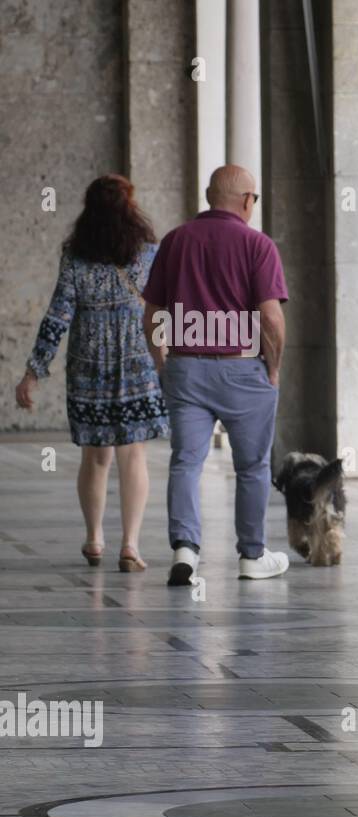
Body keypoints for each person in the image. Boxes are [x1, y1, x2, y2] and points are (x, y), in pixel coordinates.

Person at [141, 165, 290, 586]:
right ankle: (251, 556)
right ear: (246, 200)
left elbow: (152, 314)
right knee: (252, 468)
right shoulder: (257, 245)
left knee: (186, 462)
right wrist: (273, 368)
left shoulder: (175, 240)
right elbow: (271, 318)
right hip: (244, 368)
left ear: (209, 196)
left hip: (186, 367)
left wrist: (161, 361)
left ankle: (185, 550)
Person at [14, 175, 167, 572]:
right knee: (133, 455)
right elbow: (162, 310)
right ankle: (130, 545)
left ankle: (95, 537)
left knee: (95, 457)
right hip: (137, 364)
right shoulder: (148, 253)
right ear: (129, 208)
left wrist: (33, 372)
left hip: (88, 369)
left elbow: (57, 317)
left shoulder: (75, 258)